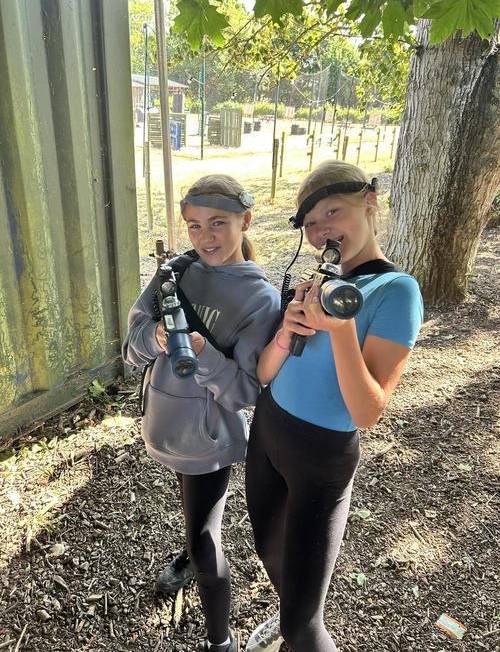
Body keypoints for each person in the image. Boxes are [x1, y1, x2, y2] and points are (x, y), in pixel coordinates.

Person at [244, 160, 424, 652]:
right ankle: (289, 609)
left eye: (333, 212)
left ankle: (296, 622)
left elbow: (367, 412)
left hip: (320, 456)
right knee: (269, 551)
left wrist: (341, 328)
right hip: (268, 432)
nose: (322, 230)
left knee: (303, 628)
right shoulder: (319, 285)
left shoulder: (396, 290)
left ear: (369, 204)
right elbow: (267, 373)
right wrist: (288, 329)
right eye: (311, 222)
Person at [122, 175, 281, 652]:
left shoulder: (260, 299)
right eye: (194, 225)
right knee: (194, 516)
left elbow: (246, 390)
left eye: (218, 223)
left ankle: (220, 640)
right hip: (164, 426)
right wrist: (154, 338)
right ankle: (190, 554)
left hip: (208, 442)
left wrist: (203, 354)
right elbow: (131, 345)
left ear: (245, 221)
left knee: (205, 541)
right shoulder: (175, 271)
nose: (205, 237)